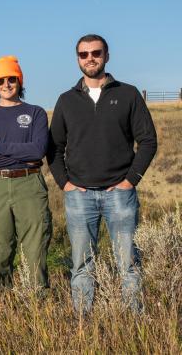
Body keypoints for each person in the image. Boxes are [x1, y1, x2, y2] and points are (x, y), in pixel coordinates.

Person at [48, 34, 158, 314]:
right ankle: (83, 324)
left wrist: (130, 180)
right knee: (82, 265)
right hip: (79, 197)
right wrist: (65, 183)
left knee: (129, 262)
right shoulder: (66, 100)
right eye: (83, 54)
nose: (90, 58)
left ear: (107, 56)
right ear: (77, 59)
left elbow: (147, 140)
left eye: (96, 52)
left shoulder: (128, 94)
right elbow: (54, 147)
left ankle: (135, 321)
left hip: (120, 195)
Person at [0, 56, 51, 293]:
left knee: (35, 248)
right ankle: (0, 306)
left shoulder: (35, 113)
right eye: (0, 80)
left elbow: (38, 150)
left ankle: (37, 303)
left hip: (29, 183)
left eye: (11, 79)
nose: (6, 84)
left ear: (20, 80)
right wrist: (21, 154)